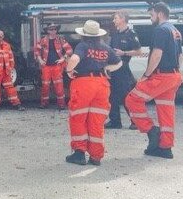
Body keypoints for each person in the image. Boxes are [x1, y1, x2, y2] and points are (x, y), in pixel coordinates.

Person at [125, 2, 183, 159]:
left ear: (160, 13)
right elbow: (178, 56)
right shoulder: (175, 31)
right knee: (166, 111)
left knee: (132, 99)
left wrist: (147, 74)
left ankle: (151, 130)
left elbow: (157, 54)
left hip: (161, 76)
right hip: (174, 75)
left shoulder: (160, 30)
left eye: (152, 15)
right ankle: (165, 148)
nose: (151, 19)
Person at [64, 20, 122, 166]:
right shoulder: (105, 47)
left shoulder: (83, 45)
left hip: (84, 83)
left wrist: (69, 71)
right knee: (97, 120)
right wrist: (107, 69)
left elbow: (75, 59)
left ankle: (79, 154)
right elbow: (119, 63)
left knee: (78, 118)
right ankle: (96, 157)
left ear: (84, 34)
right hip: (102, 85)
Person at [105, 11, 142, 130]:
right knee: (112, 96)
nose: (114, 20)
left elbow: (139, 51)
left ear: (123, 19)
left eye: (115, 18)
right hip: (113, 68)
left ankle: (135, 122)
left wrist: (124, 53)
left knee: (126, 96)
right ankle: (115, 122)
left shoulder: (130, 33)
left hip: (124, 69)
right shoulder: (115, 34)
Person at [34, 23, 73, 110]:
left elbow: (69, 50)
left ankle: (61, 104)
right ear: (47, 31)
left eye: (55, 29)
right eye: (51, 29)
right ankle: (44, 103)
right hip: (46, 66)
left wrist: (63, 58)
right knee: (45, 86)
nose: (53, 31)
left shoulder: (61, 40)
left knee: (59, 86)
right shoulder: (43, 40)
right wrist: (40, 60)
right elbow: (36, 50)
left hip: (57, 66)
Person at [0, 30, 24, 112]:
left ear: (3, 36)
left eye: (1, 36)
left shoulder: (7, 45)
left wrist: (11, 68)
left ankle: (17, 104)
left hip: (6, 72)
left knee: (10, 88)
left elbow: (11, 57)